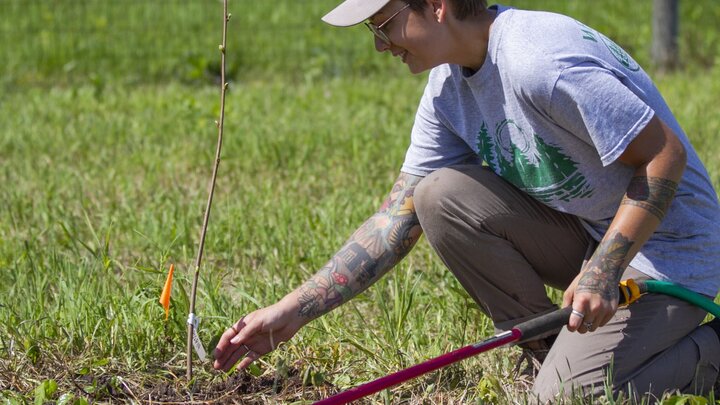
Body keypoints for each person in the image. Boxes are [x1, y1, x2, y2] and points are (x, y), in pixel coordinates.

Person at [213, 0, 720, 402]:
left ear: (436, 5)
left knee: (570, 399)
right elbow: (398, 218)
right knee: (440, 196)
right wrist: (291, 312)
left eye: (383, 24)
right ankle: (550, 352)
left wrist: (603, 272)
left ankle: (708, 353)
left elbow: (663, 156)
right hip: (590, 235)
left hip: (671, 252)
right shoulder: (447, 88)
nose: (379, 45)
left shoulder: (542, 61)